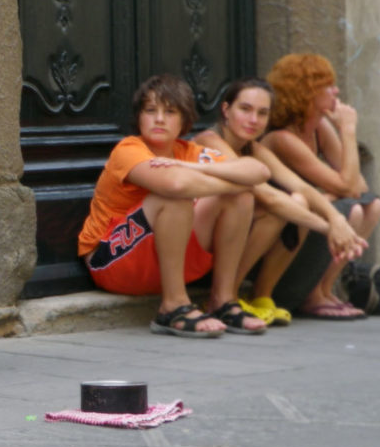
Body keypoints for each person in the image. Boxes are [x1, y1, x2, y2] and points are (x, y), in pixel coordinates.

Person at [78, 74, 270, 338]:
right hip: (111, 262)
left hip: (163, 258)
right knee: (175, 198)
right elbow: (175, 186)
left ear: (184, 120)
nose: (159, 119)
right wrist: (232, 181)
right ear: (139, 117)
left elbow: (258, 171)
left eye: (170, 111)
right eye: (150, 110)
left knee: (242, 198)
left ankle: (222, 301)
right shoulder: (129, 149)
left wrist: (188, 165)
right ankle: (172, 306)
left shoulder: (188, 152)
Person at [193, 79, 368, 323]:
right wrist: (330, 228)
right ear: (225, 110)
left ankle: (258, 296)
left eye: (262, 113)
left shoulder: (253, 148)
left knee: (297, 201)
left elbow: (302, 188)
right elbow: (268, 196)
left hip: (230, 247)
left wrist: (337, 218)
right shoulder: (209, 141)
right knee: (276, 204)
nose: (254, 119)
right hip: (195, 256)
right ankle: (222, 297)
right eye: (245, 109)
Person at [260, 53, 380, 319]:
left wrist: (332, 190)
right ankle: (311, 294)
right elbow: (349, 189)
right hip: (285, 237)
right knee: (354, 210)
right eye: (327, 85)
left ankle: (325, 289)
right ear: (306, 92)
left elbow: (358, 186)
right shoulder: (282, 138)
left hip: (312, 217)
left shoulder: (319, 127)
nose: (336, 91)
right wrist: (348, 132)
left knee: (373, 206)